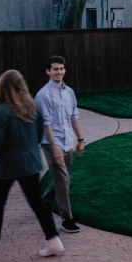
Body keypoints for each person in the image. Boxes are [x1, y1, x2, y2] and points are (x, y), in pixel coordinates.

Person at [0, 70, 64, 257]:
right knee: (37, 202)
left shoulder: (0, 112)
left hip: (7, 166)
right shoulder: (35, 107)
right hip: (31, 163)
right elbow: (38, 135)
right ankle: (54, 241)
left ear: (2, 89)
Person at [35, 55, 85, 234]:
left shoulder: (69, 92)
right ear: (48, 71)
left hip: (67, 142)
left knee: (64, 179)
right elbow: (45, 124)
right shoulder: (43, 94)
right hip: (51, 144)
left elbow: (74, 116)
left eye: (62, 68)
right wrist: (55, 149)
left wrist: (80, 139)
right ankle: (67, 219)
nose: (59, 72)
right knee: (62, 181)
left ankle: (44, 201)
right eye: (55, 69)